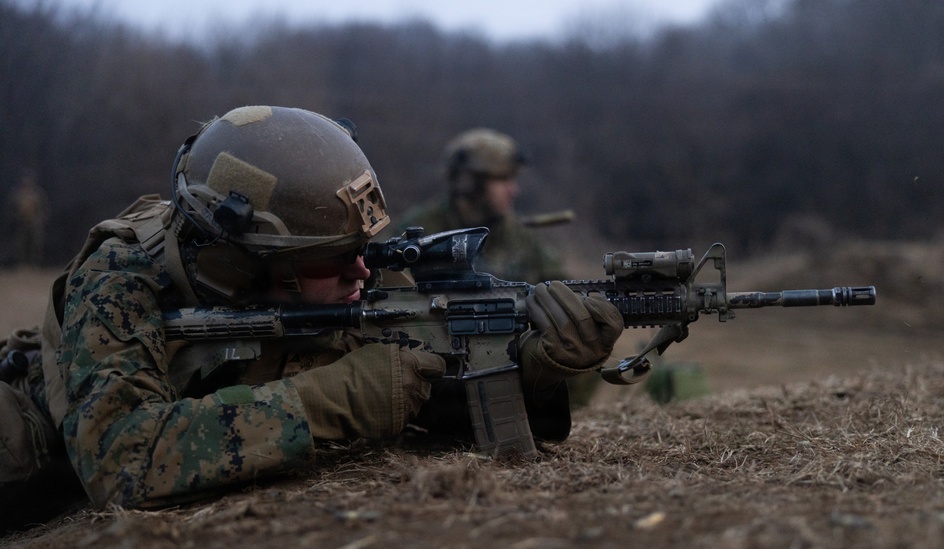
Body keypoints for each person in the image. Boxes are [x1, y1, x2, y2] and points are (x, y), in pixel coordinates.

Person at [1, 106, 623, 512]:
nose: (363, 271)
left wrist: (538, 363)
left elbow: (423, 383)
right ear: (243, 264)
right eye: (334, 259)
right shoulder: (120, 277)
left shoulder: (342, 275)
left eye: (364, 251)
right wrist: (340, 398)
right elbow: (119, 461)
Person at [395, 128, 564, 284]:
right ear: (469, 182)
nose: (513, 190)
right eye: (503, 180)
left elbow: (561, 287)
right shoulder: (420, 231)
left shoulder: (520, 238)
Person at [7, 169, 49, 266]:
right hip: (22, 221)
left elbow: (44, 207)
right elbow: (12, 206)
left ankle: (34, 263)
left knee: (36, 243)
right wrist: (14, 218)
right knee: (21, 243)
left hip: (35, 221)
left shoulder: (38, 193)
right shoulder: (17, 194)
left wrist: (42, 219)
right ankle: (22, 263)